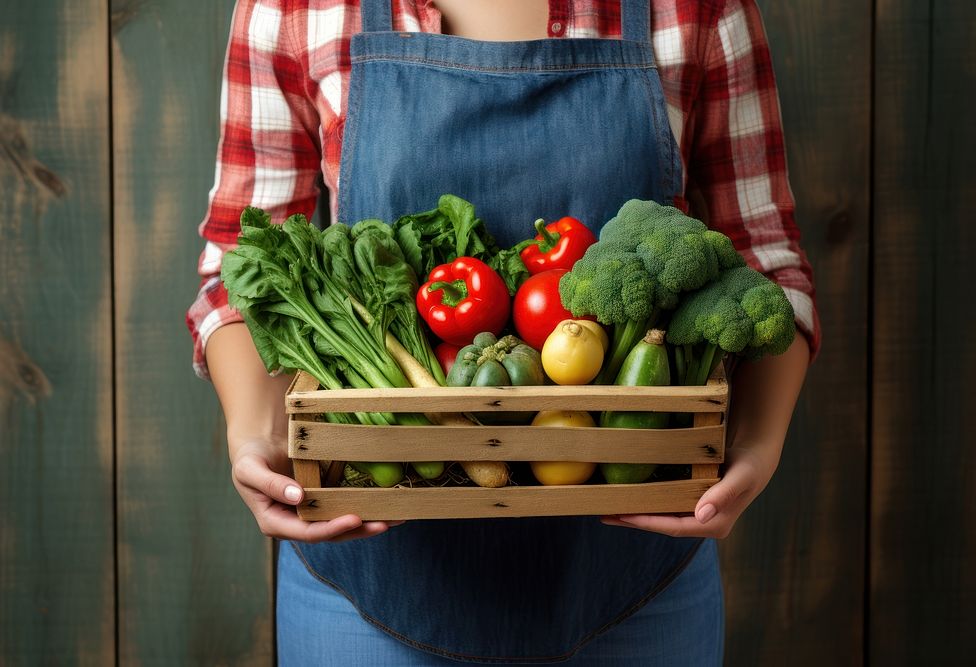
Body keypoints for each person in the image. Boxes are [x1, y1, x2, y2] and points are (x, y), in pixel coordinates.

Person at [186, 0, 819, 664]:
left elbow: (764, 255)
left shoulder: (698, 9)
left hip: (638, 577)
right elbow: (237, 262)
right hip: (364, 580)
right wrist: (253, 432)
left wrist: (758, 441)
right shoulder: (294, 8)